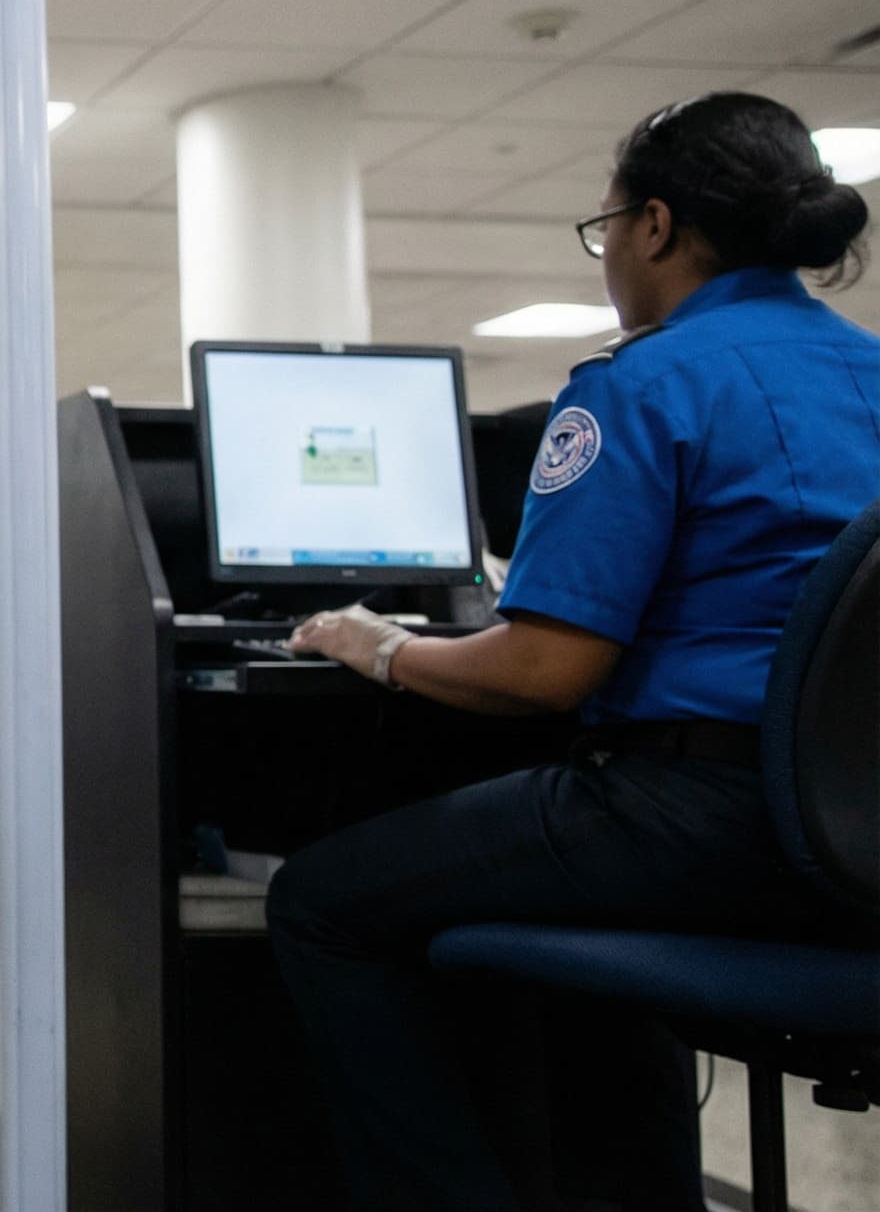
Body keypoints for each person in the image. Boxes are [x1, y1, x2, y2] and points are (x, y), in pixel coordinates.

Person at [277, 91, 880, 1211]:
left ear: (654, 227)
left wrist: (382, 647)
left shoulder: (642, 385)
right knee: (566, 912)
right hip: (854, 854)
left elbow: (542, 672)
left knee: (319, 902)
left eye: (605, 227)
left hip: (706, 819)